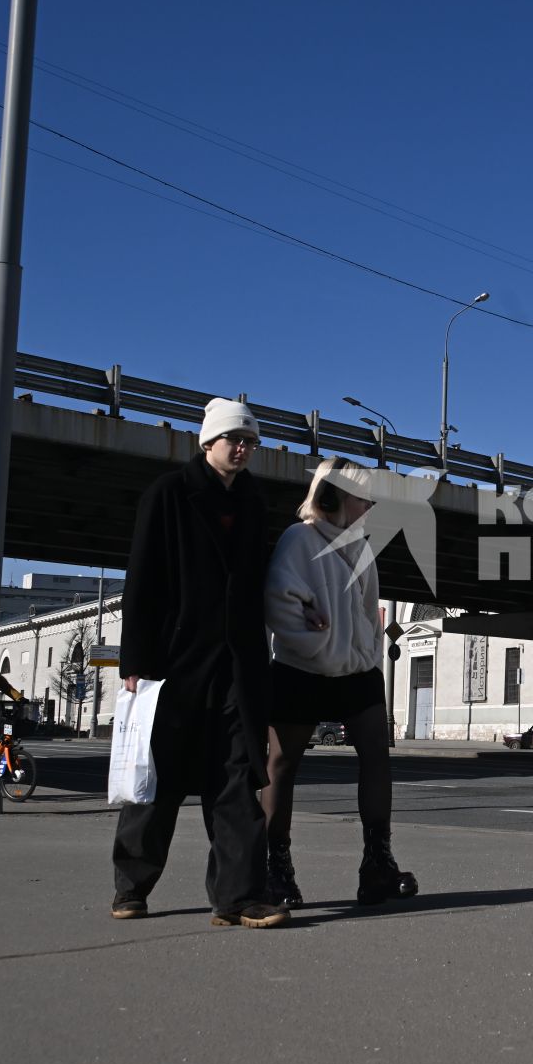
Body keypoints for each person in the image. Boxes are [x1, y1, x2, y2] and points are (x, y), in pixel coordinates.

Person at [110, 397, 288, 929]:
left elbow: (260, 584)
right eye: (234, 439)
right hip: (173, 663)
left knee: (236, 776)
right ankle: (132, 886)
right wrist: (135, 660)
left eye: (250, 442)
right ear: (207, 442)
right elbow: (141, 580)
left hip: (237, 664)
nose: (242, 449)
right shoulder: (168, 494)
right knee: (158, 775)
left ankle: (239, 897)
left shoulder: (255, 503)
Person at [261, 457, 416, 907]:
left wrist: (365, 656)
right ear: (333, 496)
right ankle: (278, 870)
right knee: (281, 766)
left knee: (377, 757)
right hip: (301, 670)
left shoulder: (362, 548)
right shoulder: (299, 539)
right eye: (362, 497)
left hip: (358, 671)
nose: (369, 506)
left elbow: (370, 615)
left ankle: (377, 865)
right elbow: (279, 606)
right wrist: (322, 648)